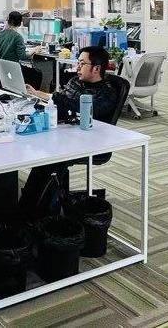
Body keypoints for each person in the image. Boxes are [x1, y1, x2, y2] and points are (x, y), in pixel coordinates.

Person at [18, 45, 122, 218]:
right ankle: (30, 208)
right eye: (78, 63)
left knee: (49, 160)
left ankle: (33, 214)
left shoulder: (106, 93)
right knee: (38, 151)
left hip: (89, 143)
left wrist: (58, 99)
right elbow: (61, 98)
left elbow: (83, 108)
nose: (77, 67)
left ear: (96, 68)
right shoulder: (75, 81)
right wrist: (36, 93)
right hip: (67, 134)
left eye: (82, 63)